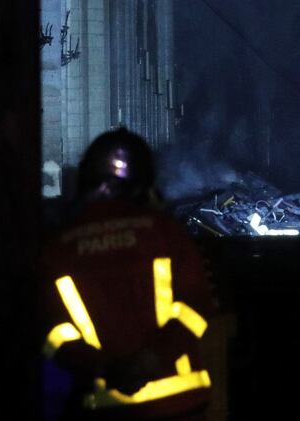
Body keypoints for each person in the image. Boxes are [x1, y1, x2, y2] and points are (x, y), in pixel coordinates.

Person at [42, 128, 214, 420]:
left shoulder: (60, 247)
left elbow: (54, 332)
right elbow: (195, 307)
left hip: (102, 404)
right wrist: (152, 360)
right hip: (176, 404)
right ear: (144, 181)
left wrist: (102, 367)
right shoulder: (164, 232)